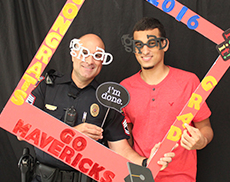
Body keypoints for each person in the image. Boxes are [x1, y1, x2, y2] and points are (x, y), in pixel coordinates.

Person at [22, 33, 175, 182]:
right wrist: (71, 134)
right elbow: (21, 130)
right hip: (43, 177)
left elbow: (120, 149)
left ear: (102, 62)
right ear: (73, 54)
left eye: (97, 56)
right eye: (84, 53)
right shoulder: (47, 86)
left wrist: (146, 163)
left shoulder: (108, 101)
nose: (89, 61)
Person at [120, 17, 214, 182]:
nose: (144, 51)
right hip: (140, 176)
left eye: (152, 43)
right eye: (139, 45)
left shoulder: (189, 82)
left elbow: (205, 127)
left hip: (180, 177)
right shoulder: (125, 88)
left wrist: (201, 141)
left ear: (164, 44)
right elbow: (123, 139)